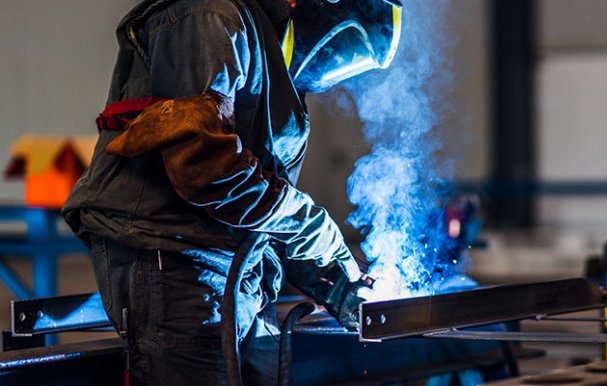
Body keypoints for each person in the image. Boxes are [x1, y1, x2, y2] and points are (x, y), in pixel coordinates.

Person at [62, 0, 402, 384]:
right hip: (180, 264)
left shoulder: (264, 44)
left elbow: (265, 209)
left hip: (245, 271)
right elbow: (207, 169)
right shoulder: (210, 15)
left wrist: (339, 282)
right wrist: (311, 225)